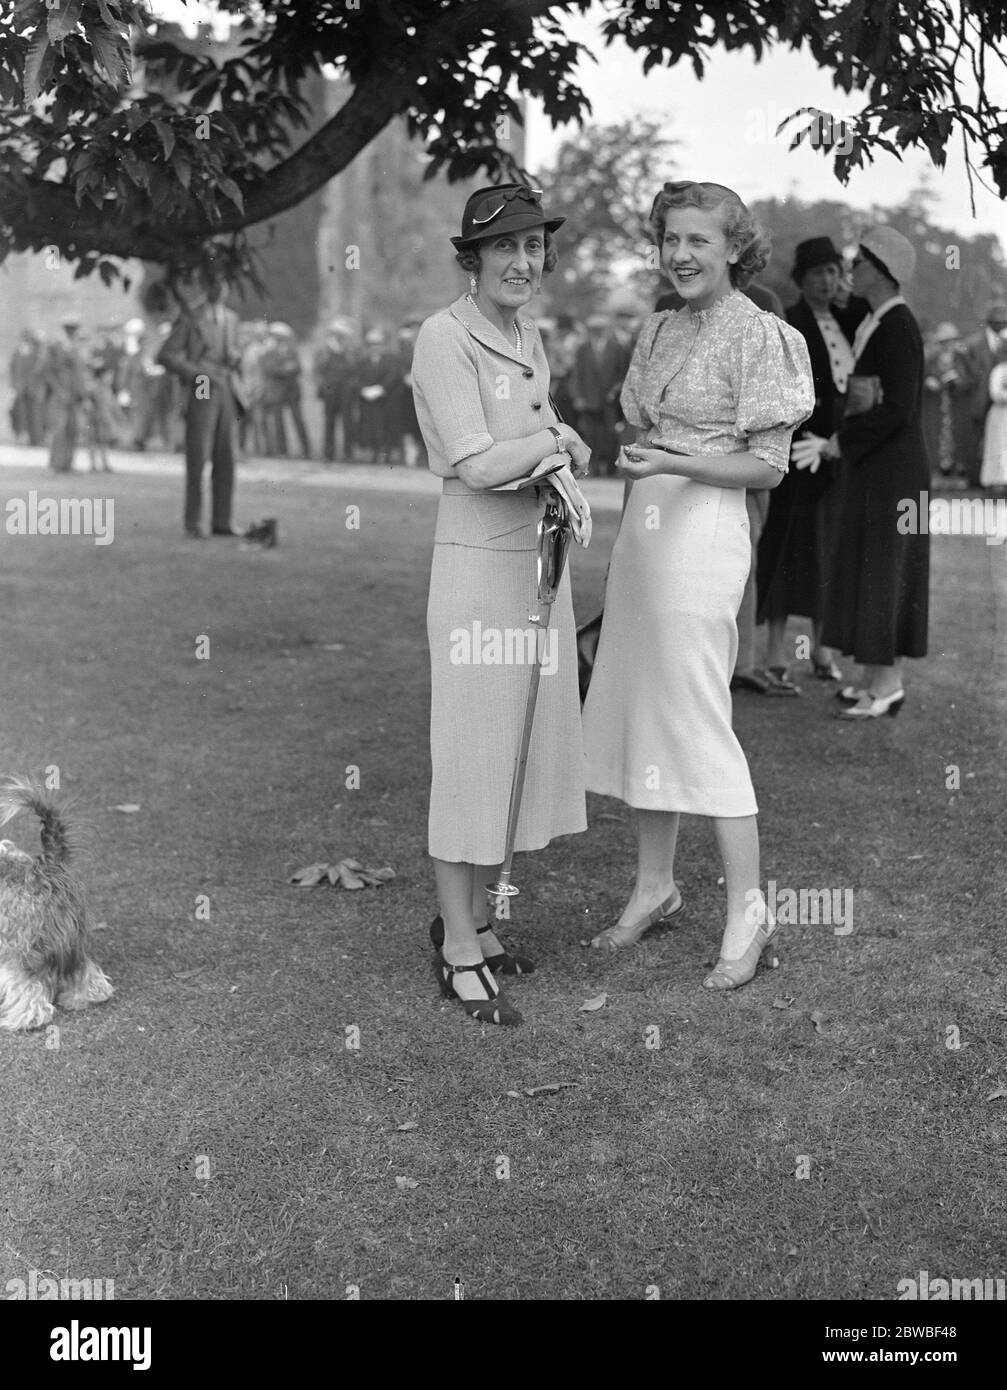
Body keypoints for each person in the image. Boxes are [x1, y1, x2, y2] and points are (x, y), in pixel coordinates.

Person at [582, 179, 813, 989]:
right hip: (645, 533)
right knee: (641, 707)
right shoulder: (657, 329)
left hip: (704, 534)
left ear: (733, 250)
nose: (680, 255)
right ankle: (655, 885)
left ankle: (748, 906)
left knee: (694, 715)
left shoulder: (762, 336)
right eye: (670, 239)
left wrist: (674, 461)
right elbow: (642, 427)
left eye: (698, 242)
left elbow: (768, 468)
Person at [411, 183, 593, 1027]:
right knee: (471, 760)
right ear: (471, 260)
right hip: (477, 576)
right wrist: (556, 441)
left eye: (534, 247)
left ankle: (476, 922)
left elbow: (533, 436)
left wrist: (552, 447)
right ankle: (454, 950)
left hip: (533, 572)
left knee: (516, 757)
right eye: (504, 248)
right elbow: (478, 464)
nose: (523, 262)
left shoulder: (526, 337)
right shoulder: (444, 338)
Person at [802, 225, 930, 718]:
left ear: (879, 270)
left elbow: (897, 407)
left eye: (857, 263)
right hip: (878, 465)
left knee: (887, 570)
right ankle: (873, 677)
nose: (849, 271)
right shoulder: (877, 319)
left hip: (895, 469)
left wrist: (838, 442)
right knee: (870, 566)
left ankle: (888, 684)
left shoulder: (898, 326)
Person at [756, 237, 867, 687]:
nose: (828, 280)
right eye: (819, 272)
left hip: (837, 452)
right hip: (800, 452)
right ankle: (777, 652)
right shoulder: (792, 320)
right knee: (787, 548)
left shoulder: (848, 317)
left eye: (834, 272)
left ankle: (822, 649)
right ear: (802, 279)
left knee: (829, 550)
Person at [157, 267, 243, 538]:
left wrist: (235, 359)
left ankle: (222, 521)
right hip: (203, 384)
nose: (220, 288)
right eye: (215, 282)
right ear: (206, 287)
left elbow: (233, 353)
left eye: (224, 282)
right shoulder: (191, 317)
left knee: (226, 456)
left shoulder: (231, 319)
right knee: (199, 452)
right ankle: (193, 521)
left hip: (227, 386)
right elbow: (167, 355)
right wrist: (197, 373)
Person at [569, 311, 630, 475]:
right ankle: (593, 467)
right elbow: (577, 374)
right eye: (594, 329)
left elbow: (623, 373)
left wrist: (615, 391)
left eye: (601, 328)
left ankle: (610, 467)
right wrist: (578, 396)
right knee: (590, 434)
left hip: (609, 401)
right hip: (589, 399)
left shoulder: (616, 348)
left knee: (610, 434)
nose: (597, 332)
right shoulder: (583, 348)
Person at [958, 300, 1007, 487]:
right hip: (980, 400)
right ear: (989, 322)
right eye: (998, 321)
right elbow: (963, 372)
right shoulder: (972, 344)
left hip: (999, 404)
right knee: (977, 440)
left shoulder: (1004, 342)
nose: (1002, 325)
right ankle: (976, 479)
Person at [46, 315, 89, 473]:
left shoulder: (76, 348)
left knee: (73, 429)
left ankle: (68, 464)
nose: (72, 331)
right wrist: (59, 390)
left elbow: (80, 374)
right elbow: (48, 372)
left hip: (74, 395)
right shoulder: (55, 347)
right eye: (69, 328)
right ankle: (55, 463)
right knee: (59, 429)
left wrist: (83, 395)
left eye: (74, 329)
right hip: (60, 395)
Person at [313, 319, 352, 463]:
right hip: (330, 390)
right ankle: (328, 454)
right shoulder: (325, 349)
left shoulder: (349, 349)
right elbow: (319, 369)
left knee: (347, 422)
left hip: (345, 390)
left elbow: (353, 367)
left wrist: (344, 350)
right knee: (329, 422)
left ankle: (348, 453)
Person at [9, 329, 48, 445]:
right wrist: (13, 387)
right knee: (19, 414)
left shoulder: (36, 352)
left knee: (35, 414)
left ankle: (35, 439)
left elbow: (40, 370)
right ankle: (21, 437)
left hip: (33, 388)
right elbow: (12, 370)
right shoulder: (17, 352)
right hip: (20, 388)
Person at [979, 355, 1007, 492]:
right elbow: (995, 393)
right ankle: (998, 483)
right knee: (1000, 448)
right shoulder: (1000, 370)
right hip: (1001, 415)